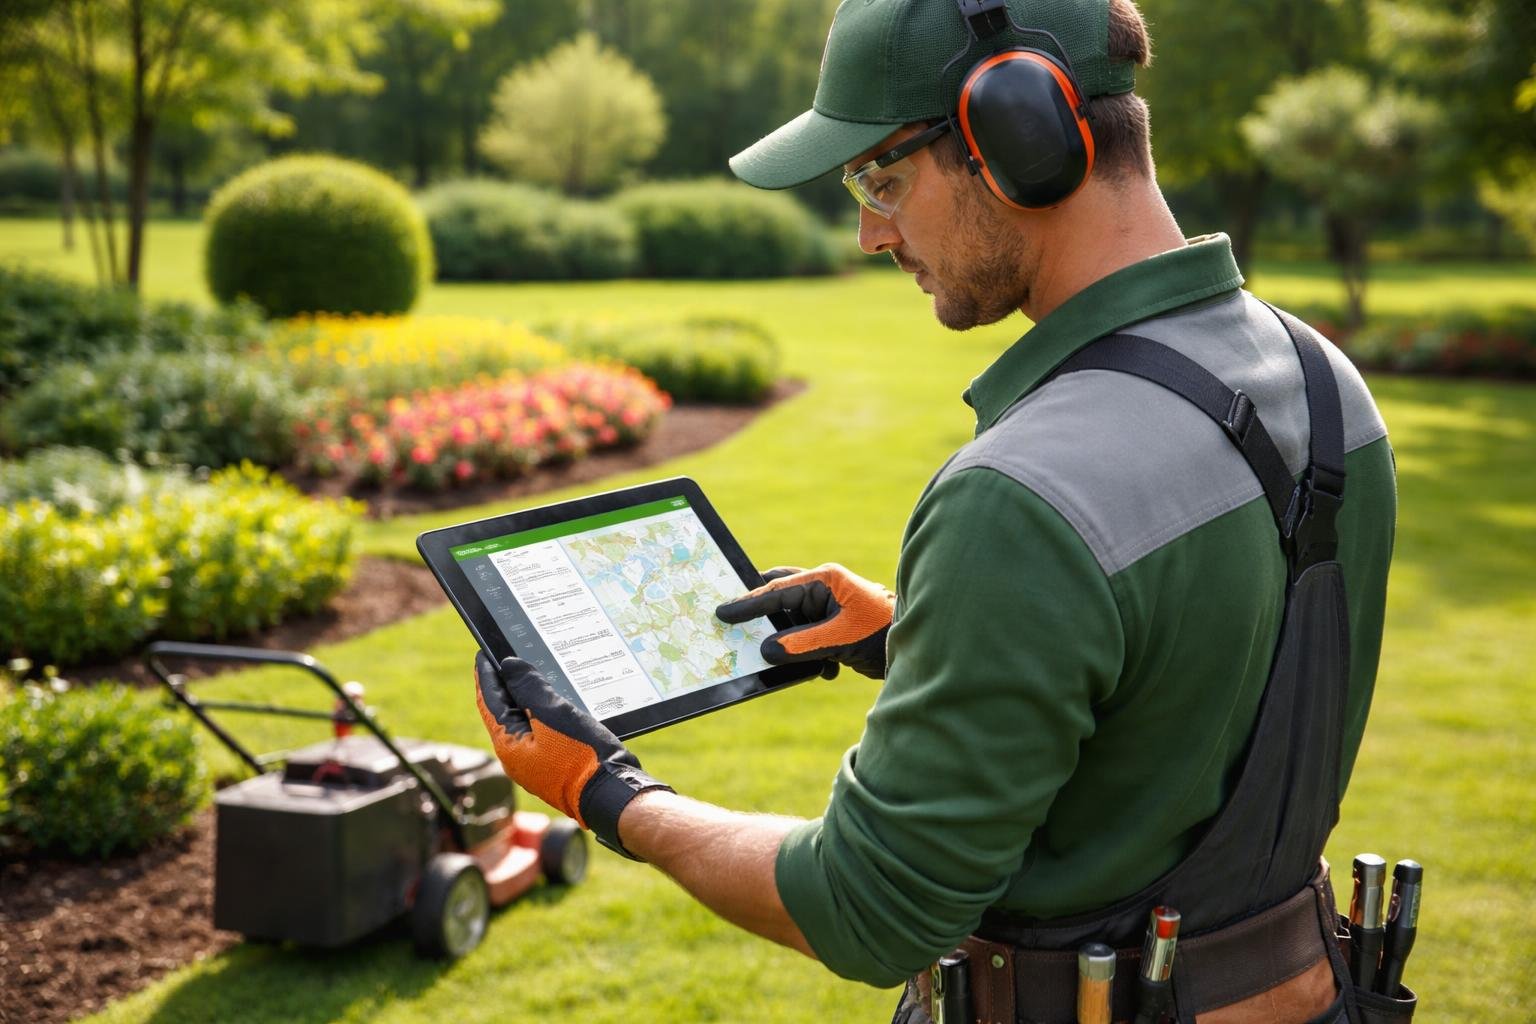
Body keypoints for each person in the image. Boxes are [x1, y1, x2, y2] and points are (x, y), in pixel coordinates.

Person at [473, 1, 1399, 1021]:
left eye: (883, 179)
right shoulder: (1324, 384)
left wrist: (604, 792)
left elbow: (870, 907)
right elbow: (1192, 698)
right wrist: (914, 636)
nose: (872, 232)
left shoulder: (1020, 497)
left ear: (1021, 138)